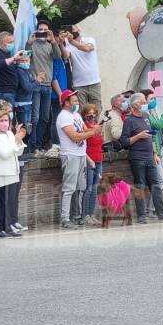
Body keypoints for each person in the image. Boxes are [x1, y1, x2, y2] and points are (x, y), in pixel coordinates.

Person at [120, 93, 163, 224]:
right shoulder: (128, 120)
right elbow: (124, 141)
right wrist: (138, 136)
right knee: (140, 185)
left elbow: (151, 137)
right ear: (135, 105)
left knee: (155, 185)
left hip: (150, 157)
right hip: (137, 158)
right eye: (143, 102)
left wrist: (155, 153)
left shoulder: (146, 116)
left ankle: (162, 214)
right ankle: (141, 216)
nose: (145, 104)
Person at [56, 90, 99, 228]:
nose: (77, 103)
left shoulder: (76, 115)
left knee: (81, 187)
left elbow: (84, 130)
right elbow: (74, 137)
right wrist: (93, 132)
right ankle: (65, 218)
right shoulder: (63, 117)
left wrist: (95, 128)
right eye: (74, 101)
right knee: (69, 188)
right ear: (66, 103)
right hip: (70, 154)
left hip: (80, 154)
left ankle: (77, 215)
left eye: (77, 100)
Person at [0, 110, 26, 237]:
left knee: (10, 201)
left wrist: (18, 140)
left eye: (6, 120)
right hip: (1, 172)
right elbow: (4, 154)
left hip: (12, 171)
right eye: (1, 121)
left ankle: (9, 225)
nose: (4, 123)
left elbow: (17, 152)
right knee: (1, 200)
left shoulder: (9, 133)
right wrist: (16, 140)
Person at [28, 21, 65, 153]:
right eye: (40, 29)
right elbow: (25, 55)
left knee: (45, 118)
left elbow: (58, 56)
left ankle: (38, 144)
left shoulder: (50, 45)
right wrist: (29, 42)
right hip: (36, 85)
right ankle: (33, 146)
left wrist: (53, 40)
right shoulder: (32, 44)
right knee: (35, 118)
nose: (42, 32)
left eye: (45, 30)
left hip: (48, 86)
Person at [64, 25, 101, 107]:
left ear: (78, 29)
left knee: (96, 109)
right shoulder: (67, 44)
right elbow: (65, 56)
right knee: (81, 111)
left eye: (73, 28)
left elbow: (87, 48)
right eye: (69, 30)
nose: (72, 31)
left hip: (94, 82)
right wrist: (60, 42)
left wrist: (72, 42)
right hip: (79, 84)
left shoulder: (89, 40)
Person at [0, 31, 28, 105]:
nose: (12, 44)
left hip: (11, 92)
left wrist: (18, 62)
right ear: (2, 42)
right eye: (10, 42)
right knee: (5, 116)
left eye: (13, 42)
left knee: (10, 116)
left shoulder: (8, 55)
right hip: (3, 93)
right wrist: (14, 58)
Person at [81, 104, 104, 226]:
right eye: (89, 114)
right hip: (89, 160)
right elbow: (82, 146)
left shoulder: (97, 127)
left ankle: (91, 213)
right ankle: (85, 215)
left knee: (95, 188)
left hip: (99, 159)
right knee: (88, 188)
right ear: (84, 115)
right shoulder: (84, 127)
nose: (92, 116)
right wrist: (89, 160)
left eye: (94, 113)